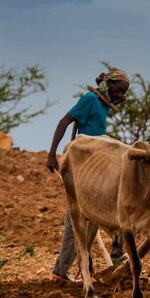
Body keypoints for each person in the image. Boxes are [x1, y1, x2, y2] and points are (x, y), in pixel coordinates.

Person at [46, 68, 130, 282]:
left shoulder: (102, 105)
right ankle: (61, 272)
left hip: (96, 165)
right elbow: (64, 122)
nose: (121, 96)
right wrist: (52, 154)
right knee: (76, 219)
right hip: (84, 166)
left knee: (90, 218)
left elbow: (86, 129)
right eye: (119, 90)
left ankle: (77, 271)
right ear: (109, 85)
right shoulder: (91, 99)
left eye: (124, 93)